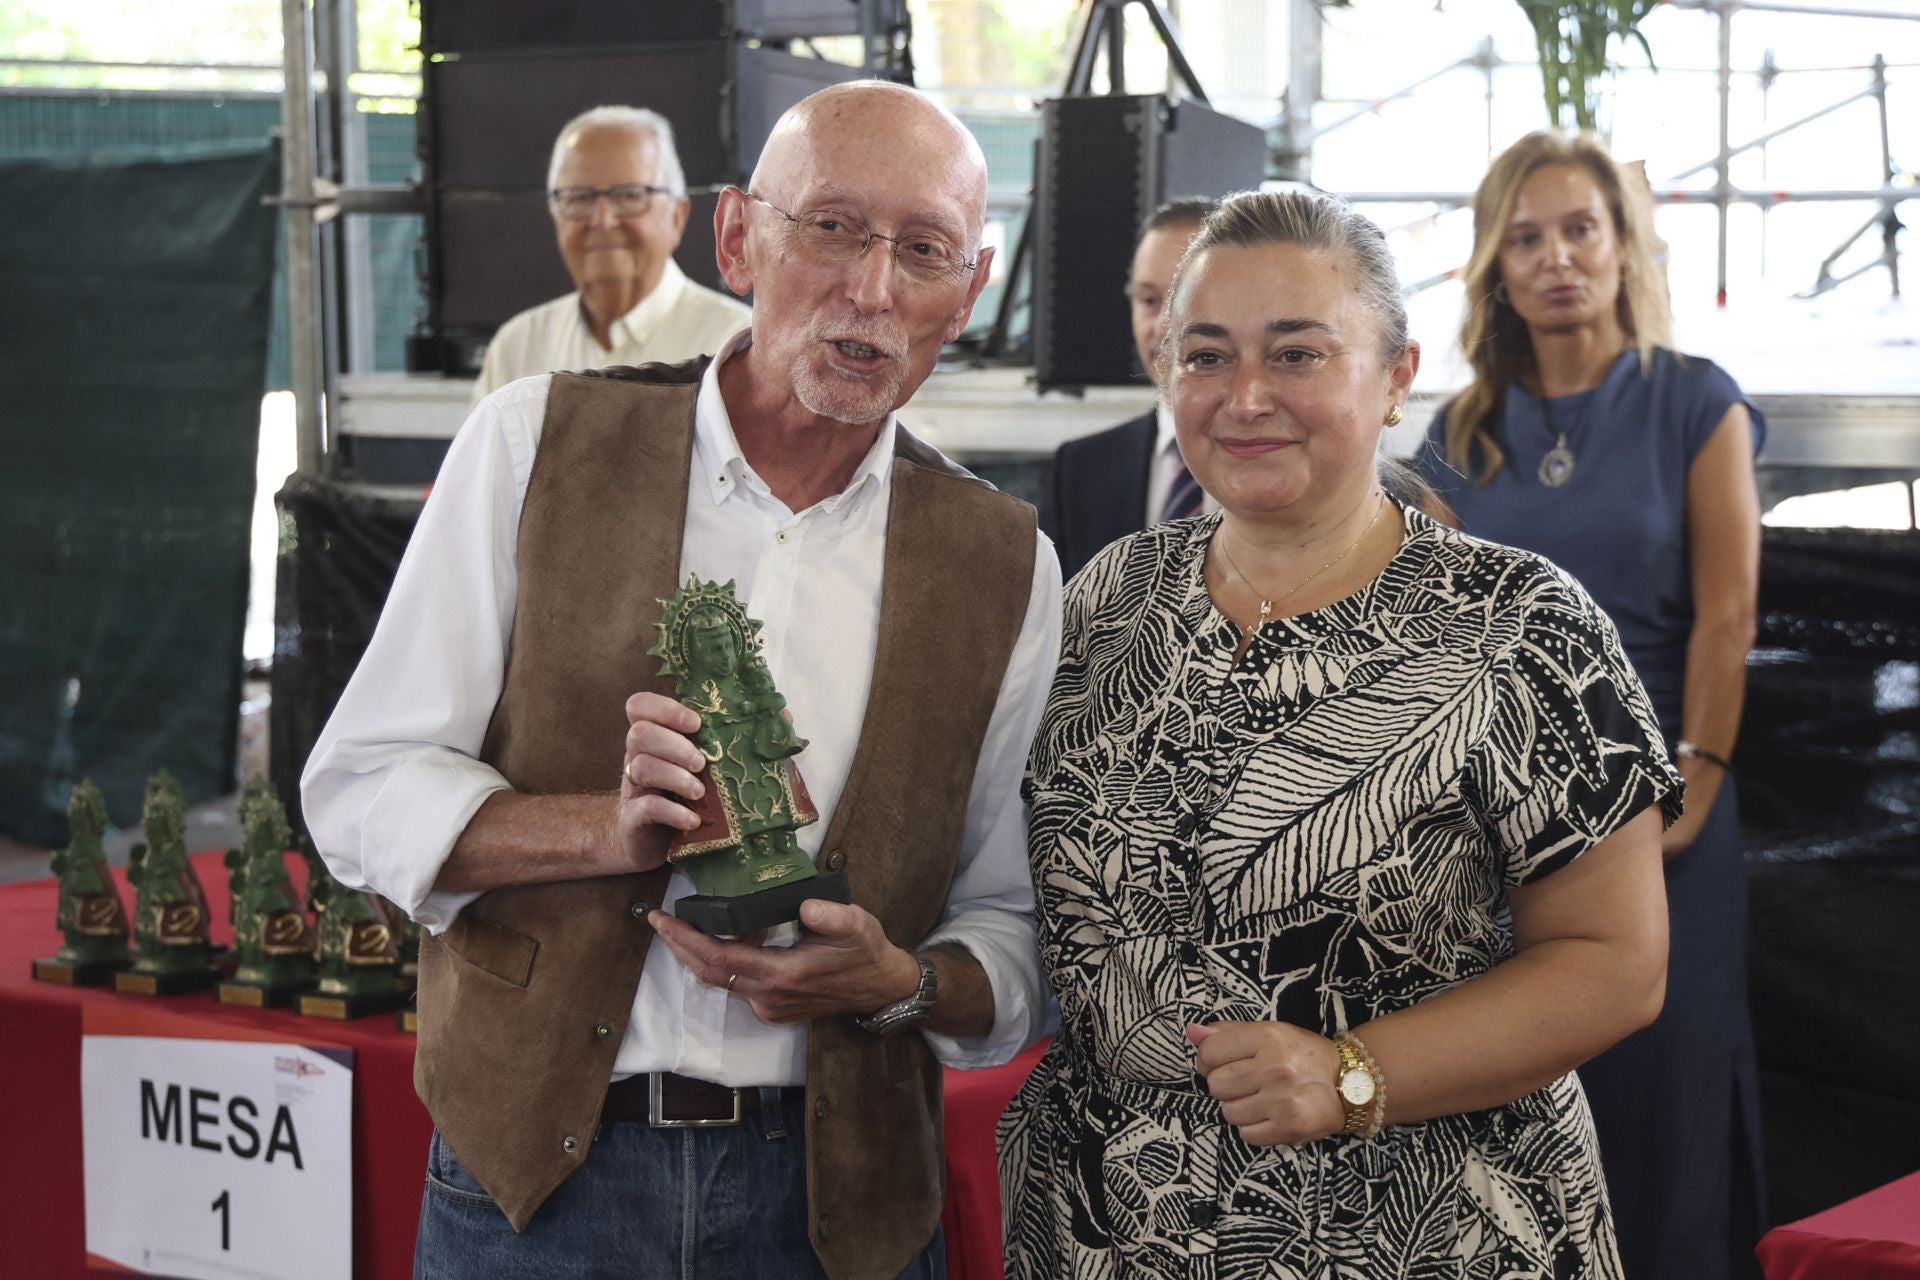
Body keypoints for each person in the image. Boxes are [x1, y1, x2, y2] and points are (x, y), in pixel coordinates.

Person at [303, 80, 1062, 1279]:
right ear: (736, 236)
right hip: (539, 1192)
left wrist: (902, 981)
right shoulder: (531, 442)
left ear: (969, 291)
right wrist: (599, 829)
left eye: (921, 250)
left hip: (840, 1210)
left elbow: (1012, 928)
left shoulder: (1003, 560)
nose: (871, 289)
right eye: (831, 227)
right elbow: (356, 790)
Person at [1002, 189, 1677, 1279]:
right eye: (1206, 355)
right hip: (1108, 1229)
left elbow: (1615, 963)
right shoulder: (1106, 599)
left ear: (1398, 376)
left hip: (1420, 1232)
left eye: (1300, 354)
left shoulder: (1518, 623)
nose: (1247, 396)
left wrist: (1354, 1071)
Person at [1414, 130, 1766, 1280]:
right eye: (1527, 237)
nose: (1557, 256)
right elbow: (1439, 647)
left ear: (1622, 246)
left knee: (1670, 1102)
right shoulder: (1456, 437)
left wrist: (1693, 791)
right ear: (1495, 267)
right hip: (1505, 829)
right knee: (1523, 1111)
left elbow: (1727, 617)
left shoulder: (1694, 402)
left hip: (1673, 810)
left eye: (1580, 229)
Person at [471, 105, 751, 399]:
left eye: (629, 195)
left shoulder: (735, 346)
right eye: (579, 197)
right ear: (554, 213)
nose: (602, 220)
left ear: (677, 216)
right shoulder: (519, 347)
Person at [1040, 197, 1217, 579]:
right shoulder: (1080, 469)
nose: (1163, 327)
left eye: (1186, 299)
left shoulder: (1279, 460)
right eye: (1149, 300)